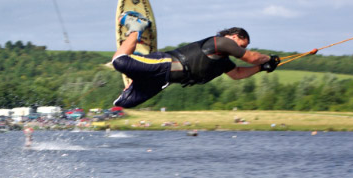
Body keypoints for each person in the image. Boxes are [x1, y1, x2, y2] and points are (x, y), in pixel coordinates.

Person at [112, 11, 280, 108]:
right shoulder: (220, 42)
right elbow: (251, 58)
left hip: (162, 80)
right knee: (118, 61)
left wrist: (262, 68)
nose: (241, 50)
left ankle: (138, 64)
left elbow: (237, 73)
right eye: (242, 45)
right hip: (165, 65)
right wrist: (267, 59)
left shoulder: (222, 61)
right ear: (234, 36)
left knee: (123, 103)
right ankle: (136, 27)